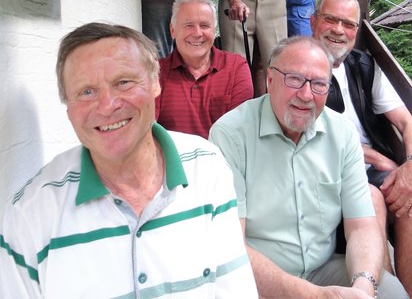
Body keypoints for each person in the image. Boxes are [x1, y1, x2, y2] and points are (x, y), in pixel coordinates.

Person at [0, 23, 258, 299]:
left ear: (156, 84)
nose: (107, 105)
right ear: (69, 109)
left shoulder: (206, 168)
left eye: (123, 82)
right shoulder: (30, 214)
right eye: (86, 91)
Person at [209, 36, 407, 298]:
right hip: (256, 276)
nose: (305, 95)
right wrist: (317, 296)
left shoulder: (343, 134)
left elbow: (362, 226)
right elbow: (232, 245)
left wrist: (363, 286)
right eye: (294, 79)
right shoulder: (230, 134)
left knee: (392, 294)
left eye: (319, 84)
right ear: (270, 80)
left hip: (322, 269)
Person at [311, 0, 412, 299]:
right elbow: (313, 134)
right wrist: (381, 160)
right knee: (371, 199)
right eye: (331, 20)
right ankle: (384, 294)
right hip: (323, 175)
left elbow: (411, 122)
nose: (339, 30)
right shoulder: (300, 66)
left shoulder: (363, 65)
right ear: (314, 22)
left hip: (371, 171)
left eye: (348, 24)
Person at [155, 0, 254, 138]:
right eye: (188, 25)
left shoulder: (236, 67)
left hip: (222, 158)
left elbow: (239, 130)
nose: (197, 33)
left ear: (214, 31)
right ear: (172, 30)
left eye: (205, 25)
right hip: (174, 158)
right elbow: (148, 130)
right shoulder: (156, 72)